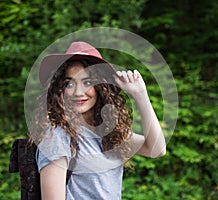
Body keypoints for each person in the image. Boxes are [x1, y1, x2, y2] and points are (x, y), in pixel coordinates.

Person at [33, 41, 166, 200]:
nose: (78, 92)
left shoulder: (108, 134)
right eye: (69, 83)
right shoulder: (57, 136)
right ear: (59, 89)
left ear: (101, 87)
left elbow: (157, 149)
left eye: (88, 82)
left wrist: (140, 94)